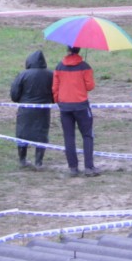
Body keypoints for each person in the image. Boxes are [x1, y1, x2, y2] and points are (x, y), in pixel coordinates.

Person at [54, 45, 97, 176]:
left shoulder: (59, 67)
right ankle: (89, 167)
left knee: (69, 136)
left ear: (68, 49)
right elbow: (90, 86)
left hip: (65, 106)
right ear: (79, 50)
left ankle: (73, 167)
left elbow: (55, 87)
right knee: (87, 135)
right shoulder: (85, 66)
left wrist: (59, 101)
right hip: (81, 106)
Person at [10, 49, 53, 169]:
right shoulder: (51, 75)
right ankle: (38, 162)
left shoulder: (23, 74)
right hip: (43, 110)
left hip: (25, 110)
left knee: (22, 134)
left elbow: (14, 94)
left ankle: (22, 160)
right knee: (41, 134)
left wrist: (20, 100)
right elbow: (55, 92)